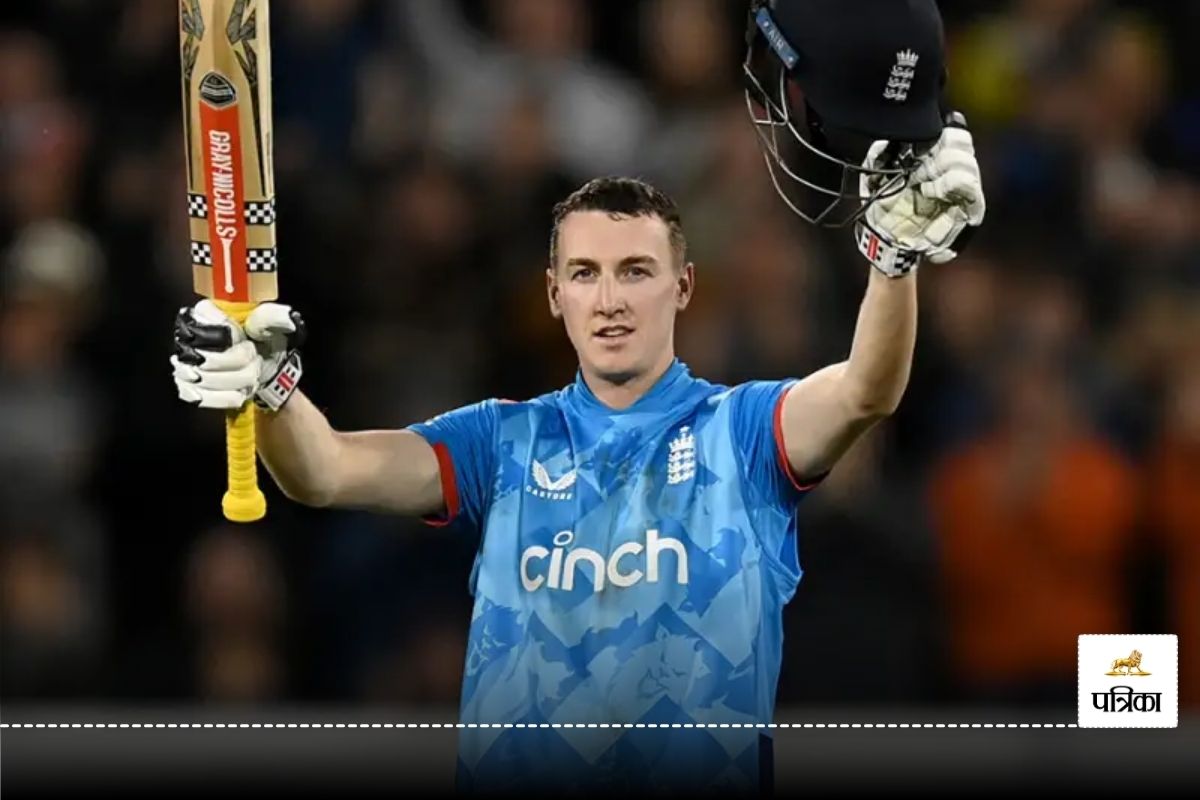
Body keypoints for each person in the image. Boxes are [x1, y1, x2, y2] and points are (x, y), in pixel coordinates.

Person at [171, 0, 983, 794]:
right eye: (586, 275)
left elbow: (866, 391)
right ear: (555, 295)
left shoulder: (739, 431)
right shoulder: (500, 443)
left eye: (636, 272)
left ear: (683, 287)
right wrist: (270, 389)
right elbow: (323, 471)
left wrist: (893, 260)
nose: (610, 300)